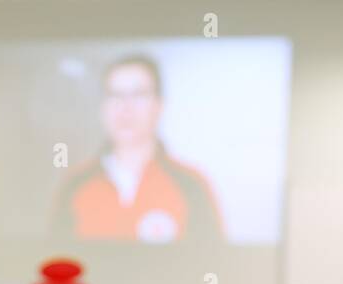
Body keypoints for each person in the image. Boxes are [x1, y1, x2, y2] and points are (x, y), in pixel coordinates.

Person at [52, 54, 223, 243]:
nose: (125, 107)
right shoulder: (74, 185)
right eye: (115, 95)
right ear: (102, 107)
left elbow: (214, 263)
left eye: (138, 95)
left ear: (158, 105)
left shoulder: (191, 185)